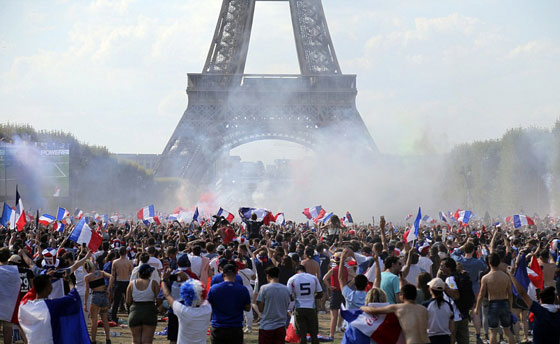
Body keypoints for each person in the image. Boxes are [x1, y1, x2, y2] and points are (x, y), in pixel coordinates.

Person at [509, 260, 560, 344]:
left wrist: (511, 276)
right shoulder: (557, 312)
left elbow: (522, 294)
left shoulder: (539, 311)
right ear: (554, 299)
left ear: (541, 300)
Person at [361, 284, 430, 344]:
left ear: (402, 296)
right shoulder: (423, 309)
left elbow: (373, 310)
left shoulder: (398, 308)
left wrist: (362, 307)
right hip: (427, 341)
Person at [474, 253, 515, 344]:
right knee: (507, 330)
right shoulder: (506, 277)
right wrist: (511, 307)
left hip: (493, 304)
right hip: (504, 303)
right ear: (499, 262)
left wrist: (477, 307)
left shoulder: (486, 278)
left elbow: (481, 294)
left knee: (493, 332)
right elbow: (510, 294)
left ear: (489, 263)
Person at [207, 264, 251, 344]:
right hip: (236, 327)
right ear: (236, 274)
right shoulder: (243, 289)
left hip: (218, 326)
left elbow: (208, 306)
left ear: (223, 275)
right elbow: (248, 308)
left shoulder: (214, 289)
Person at [160, 278, 212, 344]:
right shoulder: (207, 309)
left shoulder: (182, 310)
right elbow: (204, 297)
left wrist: (163, 280)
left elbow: (167, 295)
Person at [287, 265, 323, 344]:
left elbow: (288, 295)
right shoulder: (313, 278)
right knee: (314, 334)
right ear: (305, 270)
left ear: (296, 271)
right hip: (311, 307)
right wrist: (312, 297)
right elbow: (320, 293)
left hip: (299, 307)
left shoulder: (292, 279)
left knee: (302, 335)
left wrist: (294, 299)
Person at [126, 264, 160, 344]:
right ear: (150, 273)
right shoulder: (154, 283)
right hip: (149, 311)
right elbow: (159, 299)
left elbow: (128, 301)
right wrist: (156, 306)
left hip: (135, 311)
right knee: (147, 340)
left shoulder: (131, 283)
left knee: (135, 340)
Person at [256, 266, 291, 344]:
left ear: (268, 276)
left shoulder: (264, 288)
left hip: (266, 326)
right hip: (281, 325)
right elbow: (287, 304)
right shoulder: (286, 289)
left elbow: (261, 308)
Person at [84, 260, 112, 344]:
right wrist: (108, 289)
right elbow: (112, 277)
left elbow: (86, 291)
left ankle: (93, 340)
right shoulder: (101, 273)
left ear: (87, 269)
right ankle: (108, 339)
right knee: (105, 319)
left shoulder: (87, 277)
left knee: (94, 320)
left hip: (95, 296)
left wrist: (85, 303)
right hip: (104, 295)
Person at [423, 278, 454, 344]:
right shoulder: (448, 305)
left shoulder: (426, 305)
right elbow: (452, 327)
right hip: (445, 339)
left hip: (430, 339)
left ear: (430, 289)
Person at [110, 246, 133, 323]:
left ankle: (113, 317)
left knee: (116, 301)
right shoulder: (129, 262)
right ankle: (131, 316)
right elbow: (132, 274)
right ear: (125, 253)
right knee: (129, 301)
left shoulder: (115, 262)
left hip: (119, 282)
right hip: (127, 281)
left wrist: (110, 285)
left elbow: (113, 275)